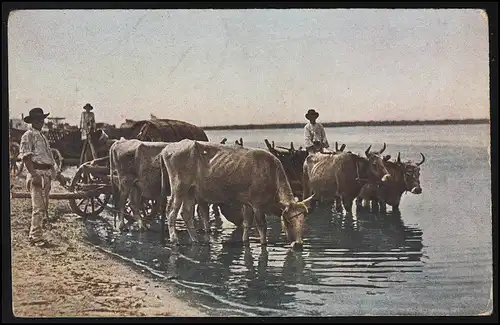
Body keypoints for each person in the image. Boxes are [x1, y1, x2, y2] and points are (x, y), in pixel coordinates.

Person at [19, 107, 64, 247]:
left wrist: (58, 175)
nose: (40, 122)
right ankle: (35, 237)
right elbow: (26, 158)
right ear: (32, 121)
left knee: (44, 206)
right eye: (37, 119)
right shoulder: (28, 135)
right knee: (38, 207)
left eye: (42, 119)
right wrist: (33, 175)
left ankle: (38, 233)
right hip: (37, 173)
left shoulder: (43, 136)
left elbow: (50, 158)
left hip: (46, 174)